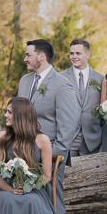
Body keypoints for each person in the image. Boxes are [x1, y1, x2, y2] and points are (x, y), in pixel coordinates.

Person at [16, 39, 78, 202]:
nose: (25, 59)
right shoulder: (24, 81)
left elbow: (69, 125)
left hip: (48, 155)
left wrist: (51, 154)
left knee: (50, 200)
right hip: (21, 153)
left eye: (28, 55)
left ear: (42, 56)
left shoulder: (62, 85)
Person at [61, 39, 104, 156]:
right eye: (71, 53)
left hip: (93, 140)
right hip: (68, 140)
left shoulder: (101, 79)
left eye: (78, 53)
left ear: (88, 54)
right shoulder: (60, 78)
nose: (74, 56)